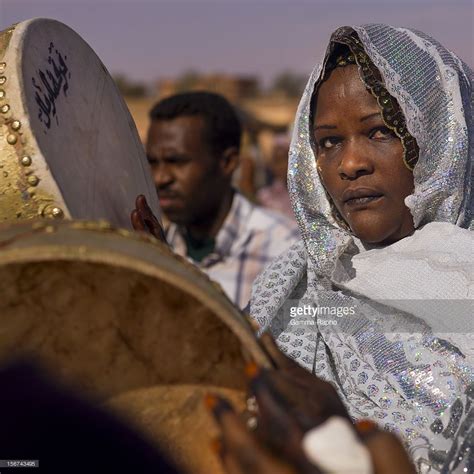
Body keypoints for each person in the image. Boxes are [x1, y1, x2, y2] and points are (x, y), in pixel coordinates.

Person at [249, 25, 473, 473]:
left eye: (380, 132)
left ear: (444, 138)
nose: (350, 164)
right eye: (329, 142)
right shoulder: (292, 288)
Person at [146, 92, 298, 308]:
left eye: (176, 161)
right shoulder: (159, 248)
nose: (160, 178)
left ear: (227, 162)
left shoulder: (287, 251)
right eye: (152, 162)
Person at [257, 133, 295, 219]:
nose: (282, 166)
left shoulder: (305, 194)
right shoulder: (265, 196)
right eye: (278, 161)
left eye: (285, 158)